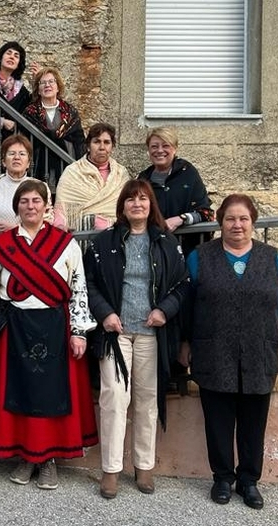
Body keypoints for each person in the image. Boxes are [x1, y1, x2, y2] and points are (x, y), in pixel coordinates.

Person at [0, 179, 98, 490]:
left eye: (36, 201)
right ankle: (26, 456)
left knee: (52, 396)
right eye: (24, 201)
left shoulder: (66, 244)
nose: (30, 206)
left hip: (55, 327)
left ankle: (48, 460)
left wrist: (79, 331)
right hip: (14, 328)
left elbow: (78, 288)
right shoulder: (2, 248)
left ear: (47, 206)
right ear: (16, 207)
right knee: (20, 393)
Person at [180, 194, 278, 510]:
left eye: (243, 218)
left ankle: (248, 481)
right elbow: (187, 306)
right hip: (213, 350)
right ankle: (222, 478)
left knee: (253, 421)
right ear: (220, 222)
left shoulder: (271, 258)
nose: (237, 225)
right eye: (230, 218)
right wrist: (185, 344)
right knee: (217, 418)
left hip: (260, 352)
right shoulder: (200, 257)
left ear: (253, 222)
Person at [84, 180, 189, 499]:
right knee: (114, 398)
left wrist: (164, 311)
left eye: (143, 199)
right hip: (115, 332)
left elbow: (183, 284)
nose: (137, 204)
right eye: (131, 199)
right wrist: (105, 314)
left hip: (151, 333)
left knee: (146, 400)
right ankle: (111, 470)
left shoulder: (165, 242)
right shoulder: (105, 242)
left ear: (151, 204)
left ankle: (144, 466)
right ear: (122, 206)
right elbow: (88, 283)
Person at [136, 127, 214, 258]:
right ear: (148, 150)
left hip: (189, 251)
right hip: (155, 253)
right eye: (154, 146)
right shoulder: (144, 179)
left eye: (165, 145)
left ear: (175, 148)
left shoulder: (188, 173)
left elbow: (207, 214)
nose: (159, 150)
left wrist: (180, 219)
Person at [54, 122, 131, 232]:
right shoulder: (72, 172)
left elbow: (127, 208)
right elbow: (61, 210)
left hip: (116, 236)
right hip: (80, 235)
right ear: (88, 146)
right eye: (97, 142)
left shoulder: (121, 174)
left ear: (112, 147)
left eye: (107, 142)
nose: (102, 147)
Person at [0, 134, 52, 238]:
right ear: (4, 162)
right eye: (11, 154)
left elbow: (47, 223)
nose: (16, 157)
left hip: (29, 249)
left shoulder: (40, 187)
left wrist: (16, 230)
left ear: (28, 163)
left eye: (22, 154)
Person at [22, 67, 85, 191]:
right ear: (38, 90)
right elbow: (24, 141)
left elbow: (80, 141)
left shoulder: (70, 112)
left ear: (58, 87)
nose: (47, 85)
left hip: (67, 165)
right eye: (43, 83)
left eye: (51, 81)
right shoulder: (30, 113)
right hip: (39, 166)